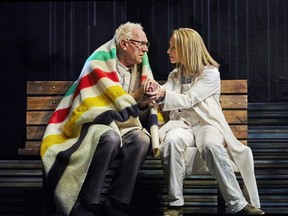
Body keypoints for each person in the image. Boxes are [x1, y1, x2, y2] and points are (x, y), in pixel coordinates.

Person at [40, 22, 159, 216]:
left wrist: (145, 101)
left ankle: (116, 200)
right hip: (92, 124)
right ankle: (89, 200)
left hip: (125, 126)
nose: (145, 50)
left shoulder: (141, 70)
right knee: (110, 138)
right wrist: (137, 96)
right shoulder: (97, 64)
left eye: (147, 45)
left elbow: (138, 113)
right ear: (124, 43)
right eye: (141, 44)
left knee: (142, 140)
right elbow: (93, 109)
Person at [145, 28, 265, 215]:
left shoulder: (210, 74)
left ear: (187, 49)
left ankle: (238, 205)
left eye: (173, 47)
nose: (168, 51)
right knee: (171, 141)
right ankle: (175, 204)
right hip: (182, 124)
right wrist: (154, 89)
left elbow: (189, 99)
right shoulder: (174, 75)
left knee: (211, 146)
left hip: (207, 124)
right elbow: (164, 91)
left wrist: (162, 94)